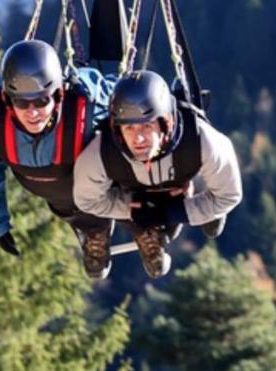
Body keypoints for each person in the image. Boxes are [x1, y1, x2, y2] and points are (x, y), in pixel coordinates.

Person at [0, 39, 117, 278]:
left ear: (59, 95)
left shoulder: (87, 106)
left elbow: (132, 107)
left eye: (41, 100)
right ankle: (93, 230)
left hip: (103, 182)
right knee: (71, 203)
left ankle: (147, 218)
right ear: (8, 100)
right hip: (58, 195)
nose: (32, 112)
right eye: (22, 102)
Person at [73, 70, 242, 278]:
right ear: (117, 129)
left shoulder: (203, 141)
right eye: (129, 128)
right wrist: (132, 209)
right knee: (157, 262)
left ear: (166, 123)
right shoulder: (101, 153)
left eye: (147, 125)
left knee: (212, 222)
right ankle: (151, 231)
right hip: (135, 192)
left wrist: (174, 211)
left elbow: (229, 195)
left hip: (181, 181)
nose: (139, 138)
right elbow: (86, 200)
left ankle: (201, 200)